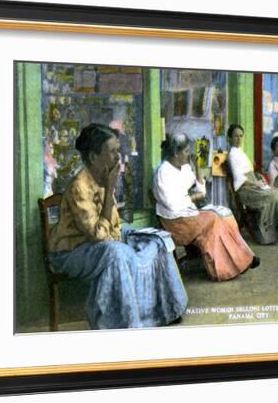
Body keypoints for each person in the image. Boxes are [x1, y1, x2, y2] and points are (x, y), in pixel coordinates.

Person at [47, 123, 188, 330]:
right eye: (112, 152)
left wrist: (128, 234)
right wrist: (110, 188)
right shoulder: (80, 186)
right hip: (71, 253)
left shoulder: (103, 177)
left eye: (118, 151)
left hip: (102, 243)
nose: (117, 157)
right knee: (116, 253)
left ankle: (167, 310)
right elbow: (97, 235)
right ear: (94, 157)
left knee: (156, 240)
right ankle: (123, 322)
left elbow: (114, 227)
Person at [152, 132, 259, 282]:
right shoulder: (163, 172)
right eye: (186, 151)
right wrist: (193, 197)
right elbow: (172, 204)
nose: (189, 155)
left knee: (224, 217)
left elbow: (201, 190)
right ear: (176, 153)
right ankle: (223, 269)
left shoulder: (183, 167)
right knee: (214, 219)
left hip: (187, 213)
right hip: (175, 221)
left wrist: (196, 166)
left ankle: (243, 259)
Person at [226, 124, 278, 244]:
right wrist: (255, 183)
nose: (239, 139)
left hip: (252, 184)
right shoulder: (232, 154)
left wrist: (257, 177)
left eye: (241, 136)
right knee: (273, 196)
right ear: (230, 138)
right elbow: (238, 177)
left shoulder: (240, 152)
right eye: (236, 136)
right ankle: (267, 236)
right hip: (245, 189)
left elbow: (249, 171)